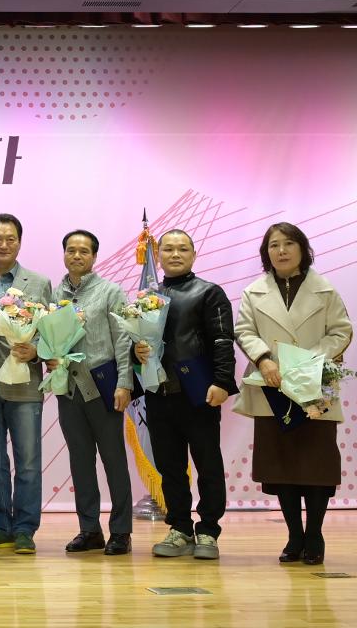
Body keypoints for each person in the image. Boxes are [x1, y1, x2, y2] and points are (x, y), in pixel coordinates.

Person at [234, 222, 352, 566]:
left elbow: (341, 332)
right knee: (281, 466)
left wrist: (309, 361)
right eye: (274, 245)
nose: (281, 250)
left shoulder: (324, 290)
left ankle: (314, 534)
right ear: (266, 252)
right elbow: (244, 331)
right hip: (271, 384)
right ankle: (294, 536)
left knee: (316, 465)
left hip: (315, 383)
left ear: (303, 248)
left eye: (288, 243)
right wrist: (264, 359)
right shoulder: (253, 292)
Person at [132, 229, 237, 560]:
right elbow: (136, 342)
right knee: (170, 467)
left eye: (182, 249)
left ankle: (208, 530)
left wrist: (222, 381)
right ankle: (179, 528)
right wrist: (137, 352)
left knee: (208, 464)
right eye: (168, 249)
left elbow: (223, 340)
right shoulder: (147, 297)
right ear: (158, 255)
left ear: (193, 254)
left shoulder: (209, 292)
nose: (175, 254)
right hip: (159, 393)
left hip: (198, 393)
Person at [49, 229, 135, 556]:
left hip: (103, 385)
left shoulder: (111, 292)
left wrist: (125, 383)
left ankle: (121, 531)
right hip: (69, 387)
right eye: (71, 250)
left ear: (94, 256)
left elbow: (124, 340)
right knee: (80, 461)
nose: (77, 256)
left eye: (84, 251)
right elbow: (47, 337)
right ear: (64, 254)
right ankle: (90, 530)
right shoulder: (55, 295)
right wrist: (48, 355)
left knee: (114, 459)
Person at [0, 214, 52, 555]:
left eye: (10, 239)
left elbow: (52, 331)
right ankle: (0, 525)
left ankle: (24, 528)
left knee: (28, 460)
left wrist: (37, 351)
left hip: (24, 380)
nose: (3, 244)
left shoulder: (39, 282)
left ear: (19, 242)